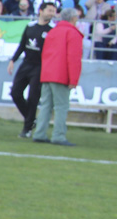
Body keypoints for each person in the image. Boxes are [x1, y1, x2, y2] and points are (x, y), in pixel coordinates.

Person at [33, 8, 83, 145]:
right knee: (61, 107)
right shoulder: (73, 33)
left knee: (45, 106)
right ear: (73, 19)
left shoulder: (52, 31)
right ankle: (58, 136)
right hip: (61, 74)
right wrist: (73, 79)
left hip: (48, 73)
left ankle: (39, 133)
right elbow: (73, 58)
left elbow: (45, 54)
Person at [8, 2, 56, 137]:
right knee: (15, 93)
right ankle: (31, 120)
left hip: (40, 66)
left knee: (33, 97)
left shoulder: (52, 29)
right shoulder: (30, 26)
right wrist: (13, 60)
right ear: (41, 11)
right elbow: (22, 45)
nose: (51, 13)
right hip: (26, 64)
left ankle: (27, 129)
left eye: (53, 11)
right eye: (49, 10)